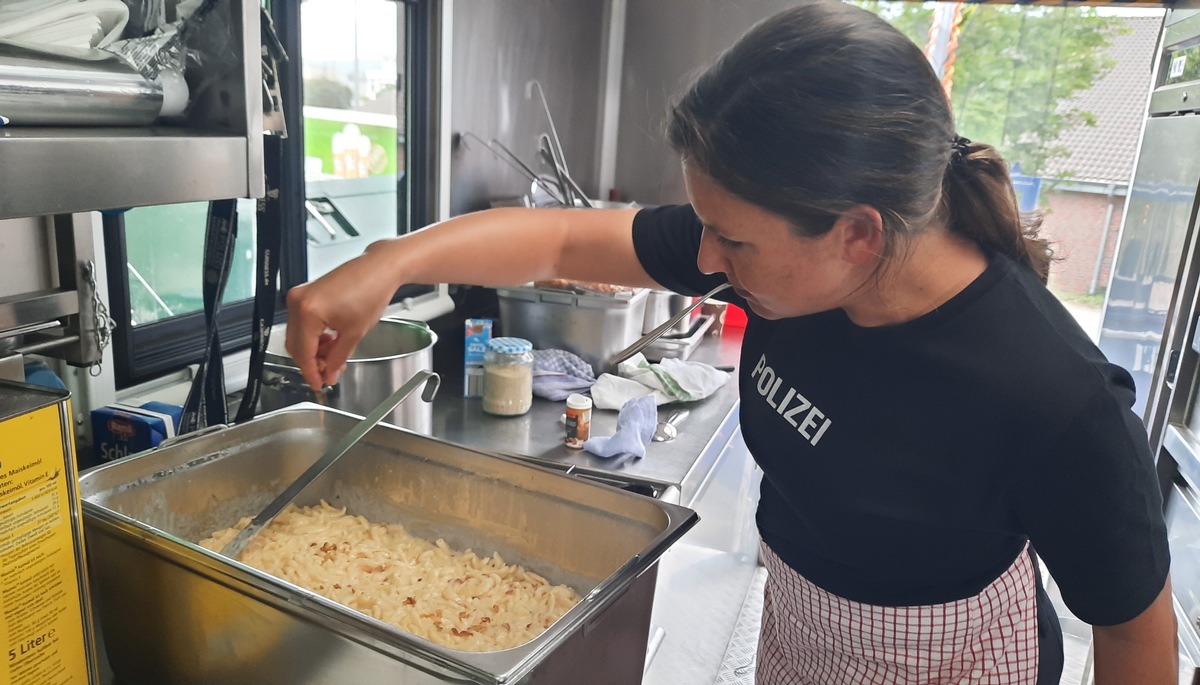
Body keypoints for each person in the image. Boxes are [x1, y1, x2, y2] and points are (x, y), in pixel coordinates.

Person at [285, 2, 1177, 683]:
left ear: (857, 235)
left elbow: (1135, 629)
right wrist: (389, 263)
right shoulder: (787, 251)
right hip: (797, 630)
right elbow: (560, 240)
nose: (705, 259)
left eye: (732, 240)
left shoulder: (1054, 399)